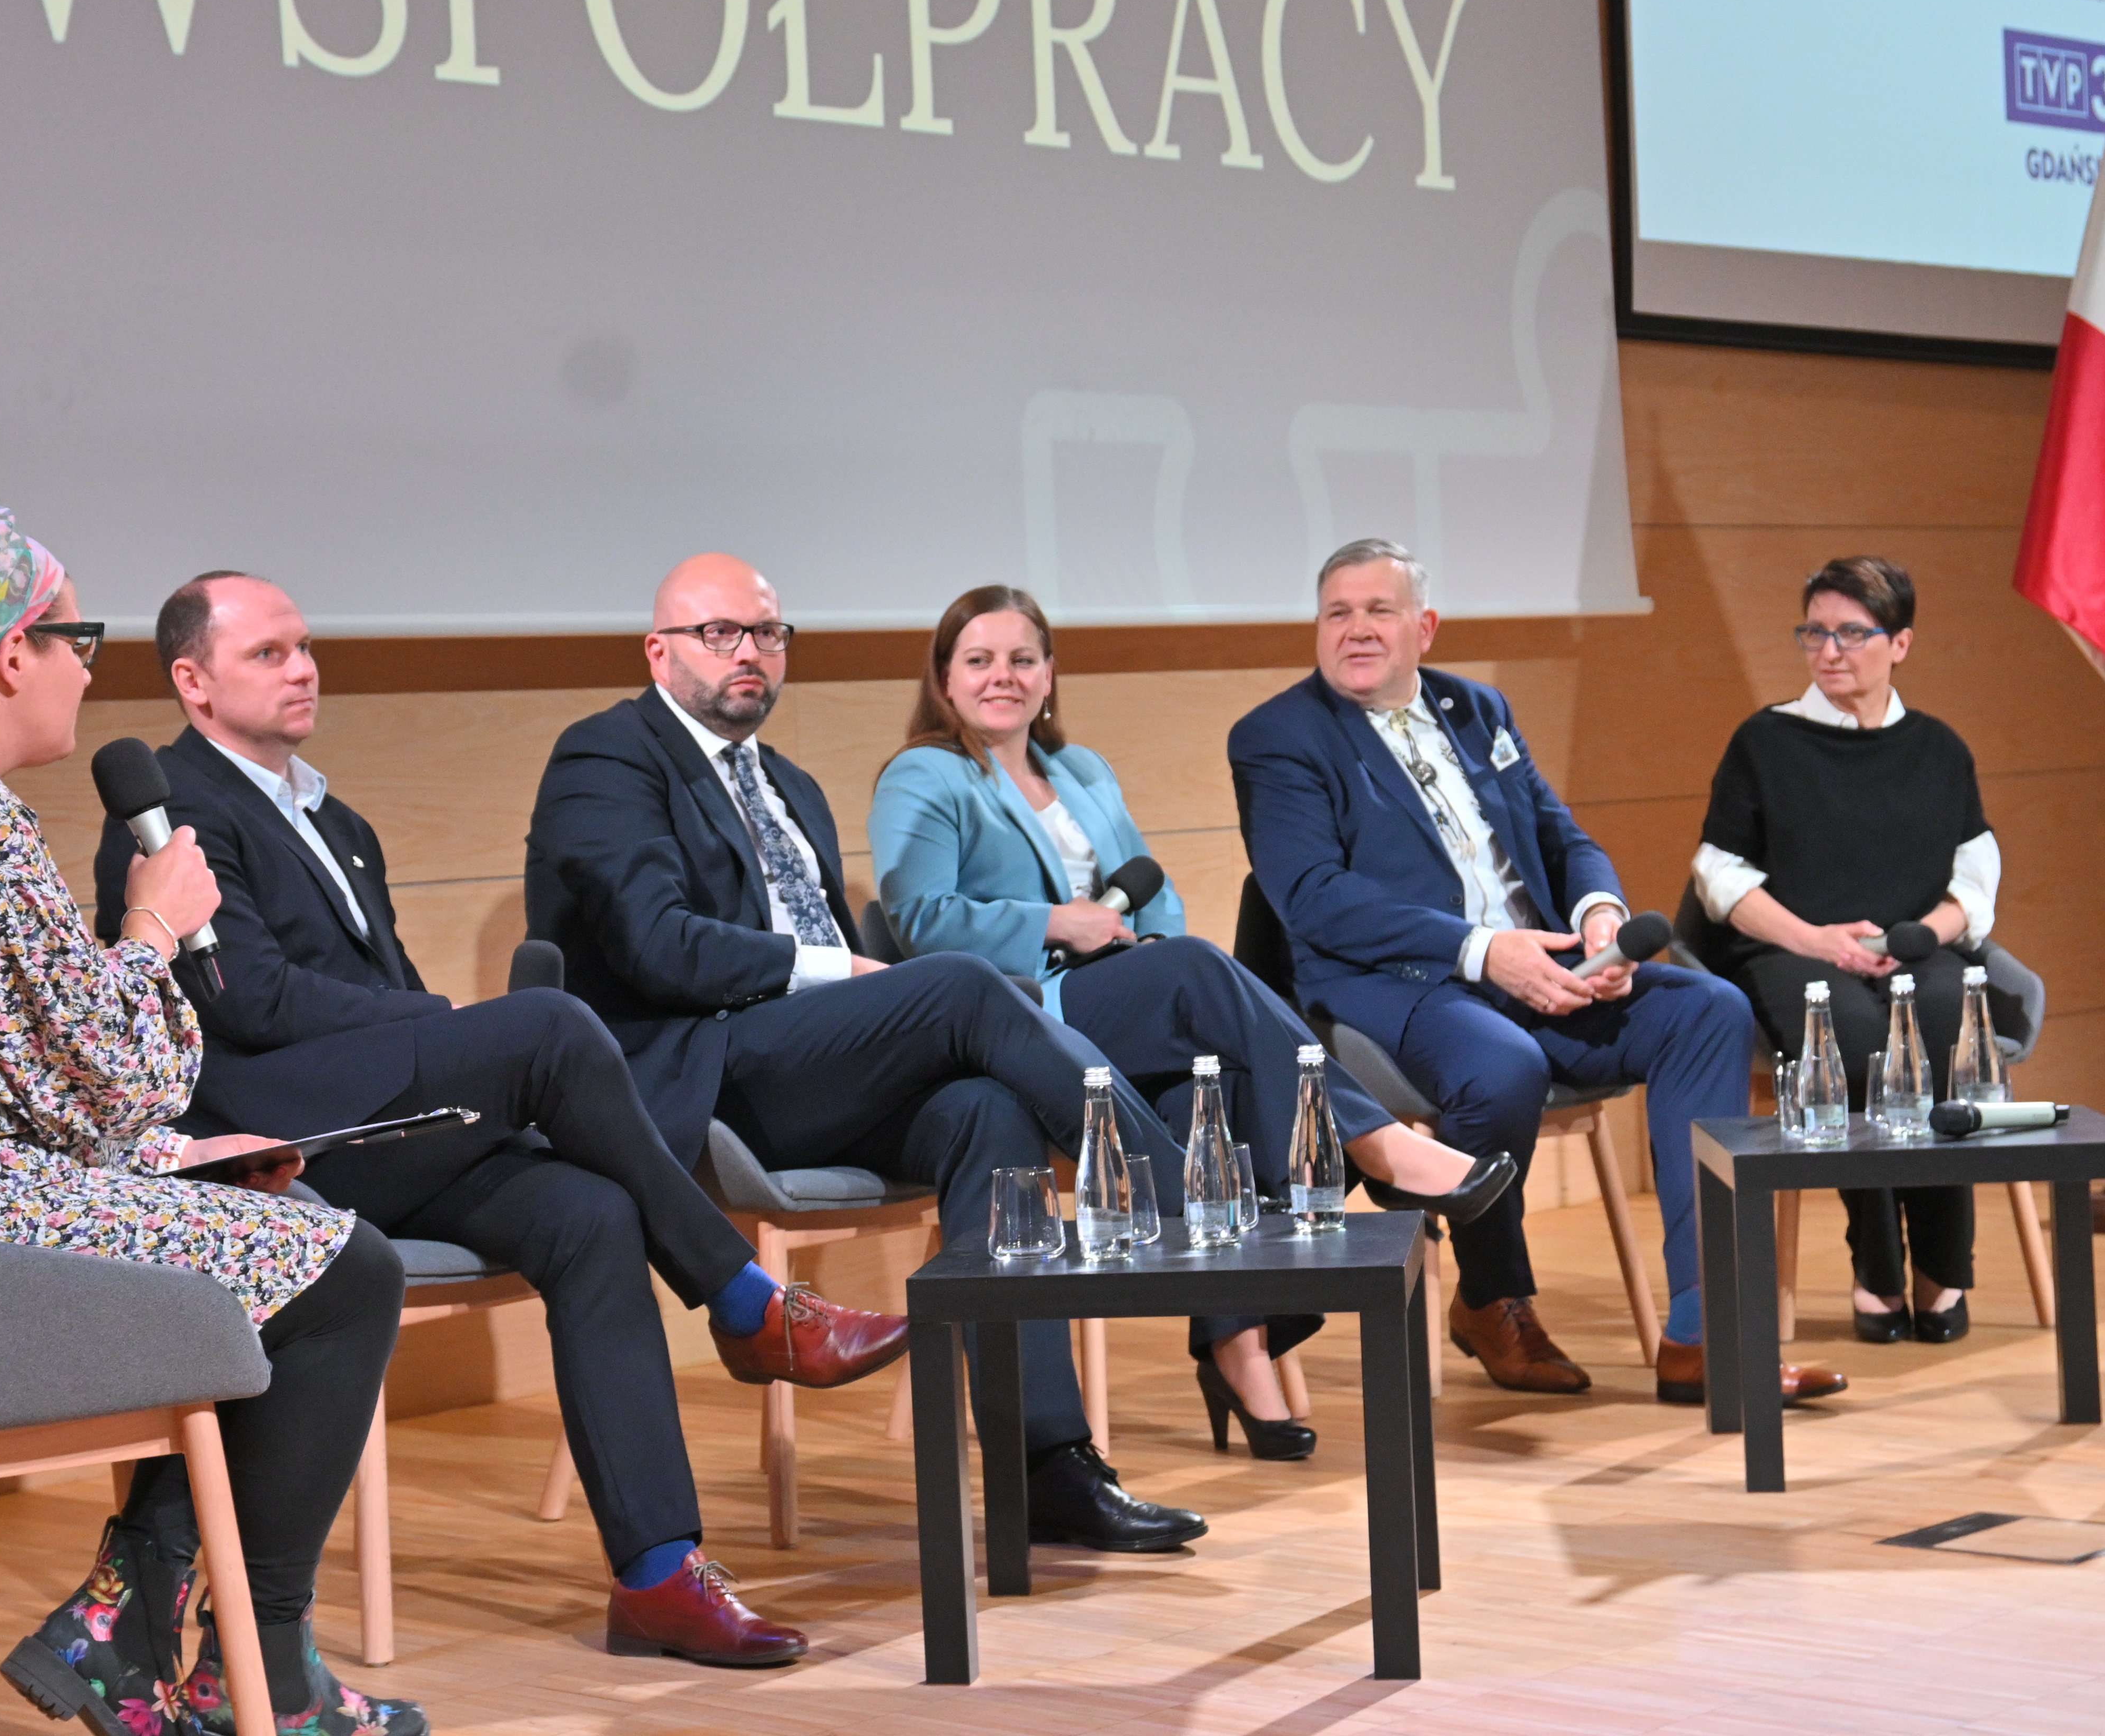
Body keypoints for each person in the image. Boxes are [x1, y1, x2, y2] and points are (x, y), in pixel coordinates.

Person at [95, 571, 909, 1668]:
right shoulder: (176, 818)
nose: (305, 668)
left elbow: (373, 997)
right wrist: (443, 1024)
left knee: (591, 1212)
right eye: (270, 654)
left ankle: (660, 1573)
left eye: (306, 646)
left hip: (380, 1119)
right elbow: (251, 1000)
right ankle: (748, 1298)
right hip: (277, 1142)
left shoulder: (340, 818)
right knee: (548, 1026)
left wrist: (435, 1037)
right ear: (192, 681)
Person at [0, 487, 417, 1736]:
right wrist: (152, 925)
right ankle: (247, 1666)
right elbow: (112, 1071)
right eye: (77, 638)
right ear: (10, 654)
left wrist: (176, 1154)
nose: (89, 673)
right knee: (346, 1270)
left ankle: (133, 1625)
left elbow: (23, 1075)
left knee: (254, 1225)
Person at [526, 553, 1207, 1552]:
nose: (750, 654)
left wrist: (847, 985)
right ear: (659, 650)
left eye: (768, 634)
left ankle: (1047, 1464)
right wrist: (842, 975)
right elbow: (655, 946)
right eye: (721, 635)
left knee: (991, 1111)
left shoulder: (790, 782)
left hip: (796, 1066)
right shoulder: (606, 757)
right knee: (966, 983)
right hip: (697, 1071)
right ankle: (1179, 1206)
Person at [867, 584, 1517, 1459]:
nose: (1003, 678)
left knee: (1209, 1087)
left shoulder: (1083, 772)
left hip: (1117, 1002)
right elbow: (920, 920)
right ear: (944, 681)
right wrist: (1062, 924)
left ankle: (1237, 1347)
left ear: (1050, 674)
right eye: (978, 661)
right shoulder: (927, 775)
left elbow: (1159, 895)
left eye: (1022, 659)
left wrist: (1141, 945)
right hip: (1020, 1009)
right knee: (1203, 975)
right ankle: (1376, 1146)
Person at [1230, 538, 1848, 1408]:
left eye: (1379, 611)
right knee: (1503, 1065)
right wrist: (1487, 952)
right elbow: (1312, 899)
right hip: (1400, 984)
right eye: (1338, 613)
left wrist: (1598, 915)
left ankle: (1709, 1342)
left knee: (1710, 1009)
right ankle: (1492, 1299)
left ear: (1425, 628)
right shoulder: (1277, 737)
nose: (1357, 630)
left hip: (1547, 961)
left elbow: (1566, 841)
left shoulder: (1479, 710)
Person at [1683, 556, 2005, 1344]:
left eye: (1852, 633)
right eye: (1815, 633)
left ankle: (1941, 1266)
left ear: (1900, 643)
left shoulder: (1938, 748)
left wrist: (1923, 936)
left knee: (1940, 1029)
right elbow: (1718, 874)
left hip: (1913, 946)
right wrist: (1814, 939)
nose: (1830, 651)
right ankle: (1877, 1266)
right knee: (1857, 1041)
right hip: (1794, 947)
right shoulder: (1766, 740)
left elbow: (1977, 872)